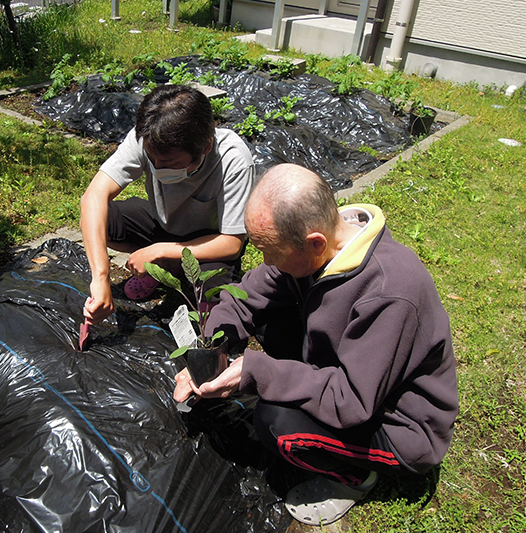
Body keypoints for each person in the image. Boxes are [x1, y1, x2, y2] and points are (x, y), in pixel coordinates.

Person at [173, 163, 459, 526]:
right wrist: (213, 347)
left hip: (397, 425)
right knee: (270, 313)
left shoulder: (390, 293)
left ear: (316, 243)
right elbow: (245, 296)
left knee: (276, 423)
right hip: (347, 372)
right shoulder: (310, 239)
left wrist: (256, 371)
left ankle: (354, 477)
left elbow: (351, 401)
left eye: (271, 252)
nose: (266, 262)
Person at [80, 84, 255, 325]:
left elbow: (232, 242)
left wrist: (160, 251)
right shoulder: (149, 137)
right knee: (103, 221)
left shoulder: (233, 160)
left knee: (214, 307)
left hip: (209, 243)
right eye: (153, 160)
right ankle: (164, 267)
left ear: (205, 147)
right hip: (161, 223)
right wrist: (100, 276)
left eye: (170, 163)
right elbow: (93, 196)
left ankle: (168, 265)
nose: (158, 168)